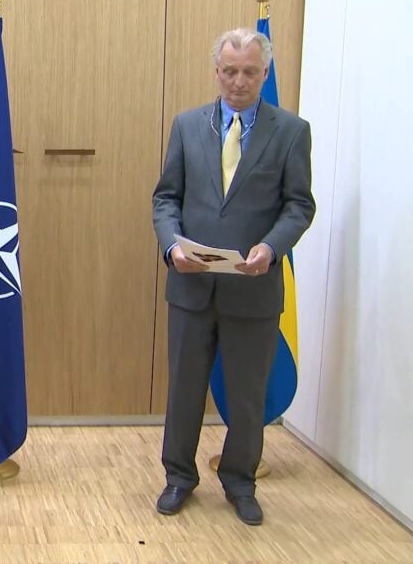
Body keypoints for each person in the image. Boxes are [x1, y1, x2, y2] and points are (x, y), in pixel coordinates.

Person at [152, 27, 315, 526]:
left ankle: (241, 481)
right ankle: (179, 477)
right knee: (184, 391)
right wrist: (173, 245)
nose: (238, 81)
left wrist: (271, 247)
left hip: (254, 288)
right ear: (216, 72)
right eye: (229, 71)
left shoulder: (291, 131)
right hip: (192, 287)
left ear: (265, 73)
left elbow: (299, 205)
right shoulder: (186, 126)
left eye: (249, 72)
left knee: (247, 395)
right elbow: (166, 199)